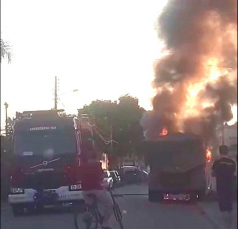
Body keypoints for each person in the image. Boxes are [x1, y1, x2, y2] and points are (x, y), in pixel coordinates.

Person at [79, 151, 113, 229]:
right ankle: (105, 224)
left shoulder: (83, 166)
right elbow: (100, 177)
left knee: (90, 207)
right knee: (110, 204)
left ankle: (89, 216)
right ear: (96, 157)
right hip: (96, 189)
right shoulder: (97, 165)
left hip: (85, 191)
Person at [212, 145, 236, 229]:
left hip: (221, 185)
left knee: (222, 204)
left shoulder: (217, 162)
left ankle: (225, 225)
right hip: (230, 184)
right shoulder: (232, 162)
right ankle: (230, 223)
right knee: (229, 203)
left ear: (219, 151)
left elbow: (213, 173)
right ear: (227, 151)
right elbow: (234, 173)